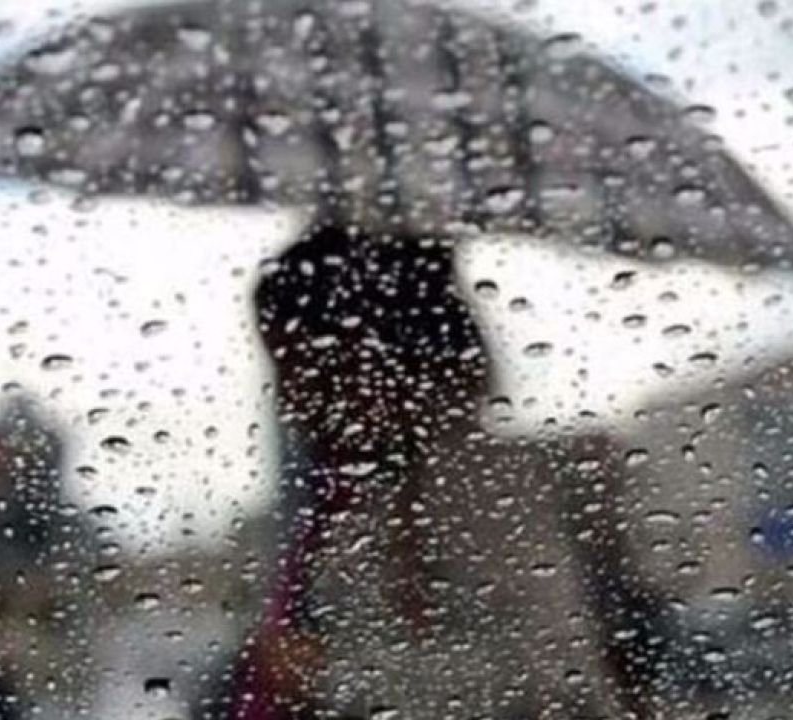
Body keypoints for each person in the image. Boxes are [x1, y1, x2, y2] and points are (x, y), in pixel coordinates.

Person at [214, 226, 623, 719]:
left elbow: (550, 672)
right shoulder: (362, 488)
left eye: (304, 367)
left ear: (383, 352)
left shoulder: (482, 484)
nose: (291, 399)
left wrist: (322, 673)